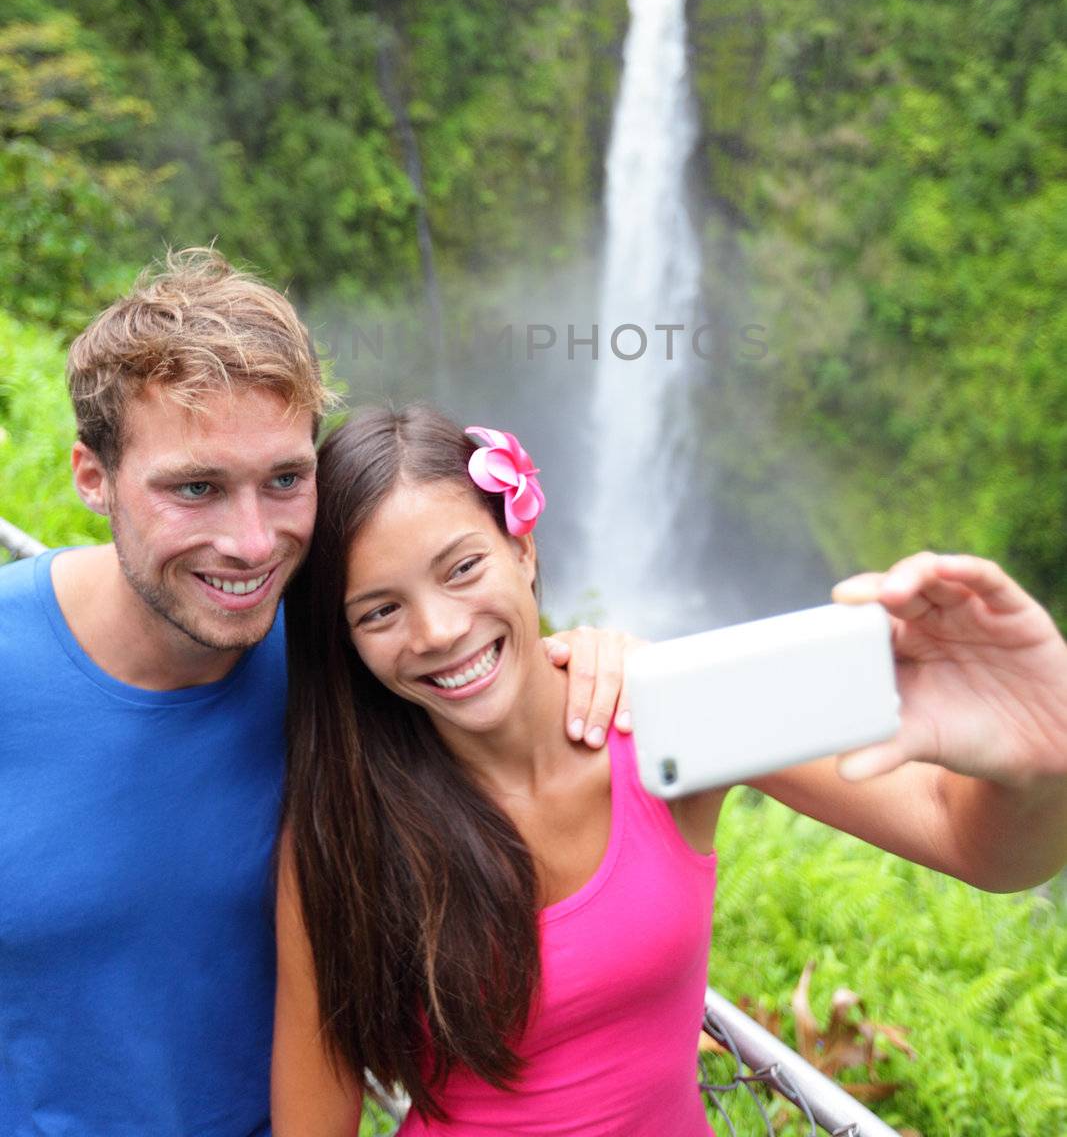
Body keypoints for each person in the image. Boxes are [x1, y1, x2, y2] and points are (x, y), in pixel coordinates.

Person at [273, 403, 1067, 1137]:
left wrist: (1041, 757)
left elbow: (977, 848)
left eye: (461, 568)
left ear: (521, 545)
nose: (439, 630)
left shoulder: (669, 711)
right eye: (379, 610)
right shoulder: (345, 829)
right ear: (345, 641)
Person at [0, 250, 627, 1137]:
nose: (254, 544)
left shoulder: (357, 658)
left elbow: (491, 680)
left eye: (286, 480)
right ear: (92, 477)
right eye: (196, 488)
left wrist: (605, 658)